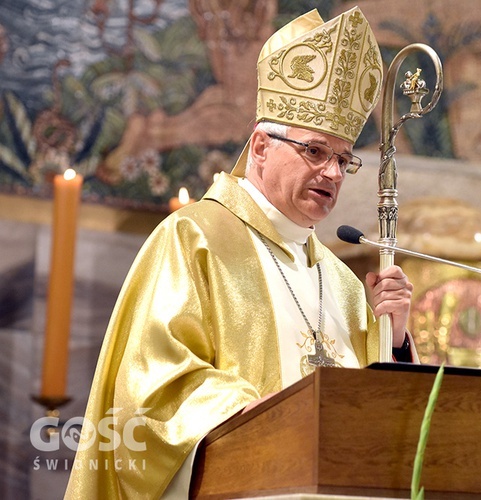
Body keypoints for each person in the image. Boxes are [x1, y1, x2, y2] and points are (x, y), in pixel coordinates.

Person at [65, 7, 416, 498]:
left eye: (343, 159)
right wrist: (277, 418)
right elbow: (154, 392)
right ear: (260, 146)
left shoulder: (342, 282)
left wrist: (394, 340)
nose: (334, 174)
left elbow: (381, 419)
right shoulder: (194, 239)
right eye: (315, 151)